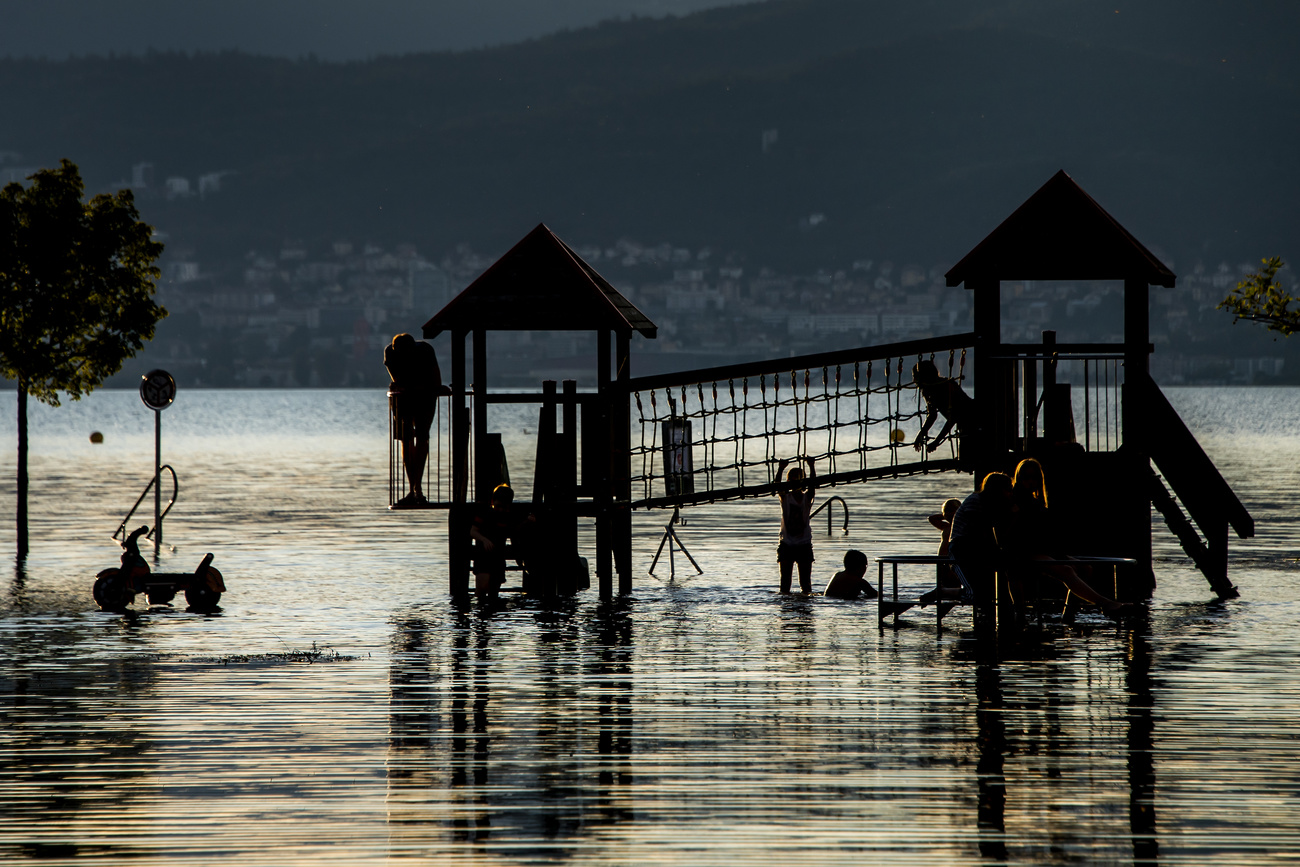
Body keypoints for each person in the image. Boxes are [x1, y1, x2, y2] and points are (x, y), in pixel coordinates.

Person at [1006, 458, 1131, 619]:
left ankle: (1069, 612)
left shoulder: (1034, 502)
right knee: (1067, 570)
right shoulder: (1017, 500)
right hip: (1024, 551)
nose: (1030, 482)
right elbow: (1020, 535)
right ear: (1019, 478)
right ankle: (1104, 603)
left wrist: (1059, 553)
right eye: (1026, 478)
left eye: (1034, 478)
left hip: (1042, 549)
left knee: (1085, 568)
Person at [384, 332, 445, 508]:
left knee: (422, 437)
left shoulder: (425, 350)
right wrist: (416, 387)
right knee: (407, 439)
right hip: (404, 399)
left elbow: (435, 377)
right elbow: (396, 378)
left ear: (412, 349)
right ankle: (415, 488)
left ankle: (415, 488)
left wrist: (429, 388)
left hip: (425, 398)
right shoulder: (390, 351)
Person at [948, 471, 1015, 605]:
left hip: (975, 548)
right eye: (1007, 489)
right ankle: (943, 592)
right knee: (974, 594)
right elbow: (979, 531)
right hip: (961, 548)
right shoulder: (975, 502)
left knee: (984, 592)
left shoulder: (989, 505)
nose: (1010, 493)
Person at [469, 484, 534, 598]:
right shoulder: (484, 513)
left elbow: (514, 531)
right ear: (493, 502)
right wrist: (484, 540)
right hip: (483, 554)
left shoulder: (509, 516)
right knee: (481, 589)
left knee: (494, 592)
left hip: (498, 556)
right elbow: (473, 531)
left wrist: (528, 521)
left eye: (504, 507)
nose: (500, 510)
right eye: (498, 506)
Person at [911, 359, 976, 454]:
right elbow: (932, 415)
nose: (913, 380)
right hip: (964, 424)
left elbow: (953, 417)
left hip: (973, 419)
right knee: (967, 462)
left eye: (915, 376)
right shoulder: (926, 390)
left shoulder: (944, 386)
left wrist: (936, 442)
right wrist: (920, 435)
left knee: (969, 461)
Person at [775, 456, 817, 593]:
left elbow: (812, 484)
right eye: (792, 479)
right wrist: (781, 468)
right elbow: (777, 486)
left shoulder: (807, 498)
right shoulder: (786, 498)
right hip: (786, 544)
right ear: (788, 481)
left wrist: (811, 466)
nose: (795, 482)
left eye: (798, 479)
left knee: (806, 585)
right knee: (784, 584)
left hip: (803, 544)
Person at [919, 497, 964, 606]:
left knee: (953, 583)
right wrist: (945, 515)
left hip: (952, 561)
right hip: (942, 560)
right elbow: (932, 518)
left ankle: (942, 596)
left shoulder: (959, 527)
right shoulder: (945, 526)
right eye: (946, 511)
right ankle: (938, 595)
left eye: (951, 511)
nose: (948, 514)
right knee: (943, 581)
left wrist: (957, 515)